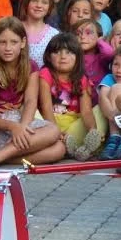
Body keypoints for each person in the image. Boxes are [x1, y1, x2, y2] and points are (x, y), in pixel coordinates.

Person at [0, 17, 65, 169]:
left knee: (59, 149)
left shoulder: (30, 66)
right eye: (3, 42)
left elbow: (30, 101)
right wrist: (14, 127)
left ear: (23, 42)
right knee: (53, 131)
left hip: (20, 122)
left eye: (14, 42)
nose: (8, 48)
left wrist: (23, 127)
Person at [38, 32, 98, 160]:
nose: (63, 57)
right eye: (57, 52)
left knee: (99, 111)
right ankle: (71, 148)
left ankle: (83, 146)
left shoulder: (82, 78)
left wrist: (92, 131)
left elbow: (86, 111)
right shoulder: (45, 73)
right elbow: (46, 108)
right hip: (49, 125)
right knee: (32, 113)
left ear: (78, 57)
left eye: (69, 52)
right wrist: (56, 133)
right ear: (48, 56)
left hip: (72, 127)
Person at [20, 0, 59, 66]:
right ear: (26, 3)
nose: (39, 5)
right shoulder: (15, 28)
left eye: (44, 2)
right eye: (34, 1)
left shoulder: (54, 35)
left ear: (50, 7)